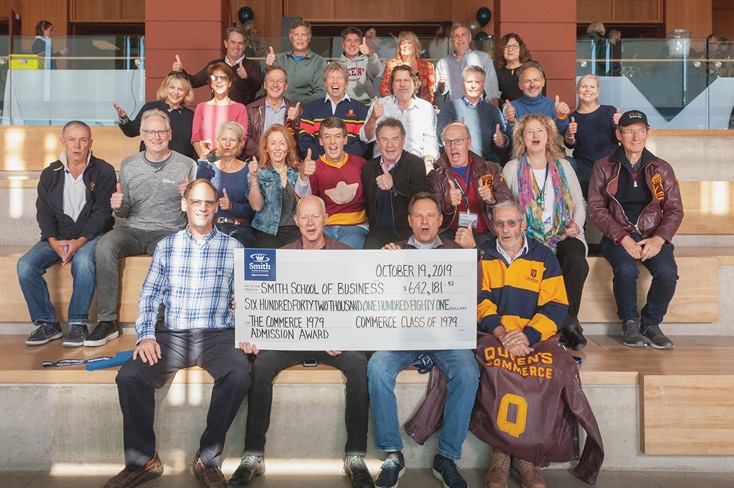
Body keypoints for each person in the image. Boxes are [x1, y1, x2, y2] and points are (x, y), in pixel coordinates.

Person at [104, 179, 251, 488]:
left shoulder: (234, 247)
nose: (203, 207)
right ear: (185, 204)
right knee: (130, 376)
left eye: (209, 202)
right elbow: (150, 295)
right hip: (173, 334)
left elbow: (247, 298)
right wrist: (146, 335)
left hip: (218, 335)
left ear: (215, 207)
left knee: (239, 374)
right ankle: (143, 461)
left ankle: (207, 458)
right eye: (196, 201)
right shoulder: (167, 246)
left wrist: (246, 315)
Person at [230, 195, 373, 488]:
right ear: (296, 222)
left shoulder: (346, 255)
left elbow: (360, 304)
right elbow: (261, 302)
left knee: (359, 367)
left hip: (333, 340)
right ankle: (253, 454)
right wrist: (244, 306)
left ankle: (356, 455)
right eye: (304, 217)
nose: (310, 223)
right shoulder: (279, 256)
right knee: (260, 368)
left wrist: (345, 333)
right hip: (290, 339)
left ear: (326, 220)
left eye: (315, 217)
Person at [368, 192, 479, 488]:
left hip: (445, 337)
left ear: (441, 220)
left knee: (468, 372)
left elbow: (476, 294)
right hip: (404, 336)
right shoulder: (396, 250)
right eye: (418, 215)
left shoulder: (458, 250)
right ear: (409, 221)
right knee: (377, 367)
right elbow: (377, 295)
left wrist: (472, 255)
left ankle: (446, 457)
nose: (424, 221)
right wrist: (382, 265)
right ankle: (393, 453)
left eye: (430, 215)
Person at [478, 200, 569, 488]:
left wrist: (527, 336)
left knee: (542, 372)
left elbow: (556, 306)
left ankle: (525, 458)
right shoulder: (483, 256)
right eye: (500, 223)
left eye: (511, 223)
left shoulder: (544, 257)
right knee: (498, 369)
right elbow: (478, 302)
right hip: (496, 334)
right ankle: (500, 456)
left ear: (523, 225)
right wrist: (503, 334)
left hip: (533, 336)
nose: (505, 229)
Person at [94, 109, 197, 345]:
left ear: (170, 134)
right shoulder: (129, 164)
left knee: (170, 250)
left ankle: (161, 322)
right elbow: (124, 211)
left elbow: (196, 212)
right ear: (141, 135)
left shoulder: (187, 164)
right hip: (133, 229)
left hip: (169, 230)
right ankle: (107, 321)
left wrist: (188, 198)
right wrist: (117, 206)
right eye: (150, 131)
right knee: (104, 245)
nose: (156, 136)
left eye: (161, 131)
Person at [588, 110, 683, 349]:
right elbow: (596, 209)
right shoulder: (604, 166)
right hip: (617, 234)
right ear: (619, 135)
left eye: (641, 131)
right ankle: (630, 322)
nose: (636, 137)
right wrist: (622, 238)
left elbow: (674, 209)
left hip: (652, 234)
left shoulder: (661, 168)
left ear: (648, 134)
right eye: (629, 131)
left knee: (667, 272)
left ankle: (650, 324)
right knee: (626, 270)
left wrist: (659, 238)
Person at [18, 121, 116, 348]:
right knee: (25, 265)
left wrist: (79, 242)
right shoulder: (50, 173)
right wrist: (53, 241)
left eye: (83, 140)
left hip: (91, 236)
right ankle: (48, 323)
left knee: (82, 262)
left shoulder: (103, 170)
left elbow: (102, 213)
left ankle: (78, 324)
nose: (77, 146)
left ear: (90, 143)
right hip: (58, 237)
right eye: (71, 139)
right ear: (63, 142)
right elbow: (44, 213)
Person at [503, 114, 589, 351]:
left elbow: (580, 202)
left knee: (576, 259)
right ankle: (568, 325)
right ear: (522, 138)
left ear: (549, 135)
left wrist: (577, 225)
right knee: (537, 261)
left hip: (563, 232)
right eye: (529, 131)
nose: (535, 136)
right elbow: (507, 208)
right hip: (528, 237)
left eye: (539, 131)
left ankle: (561, 323)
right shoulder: (512, 168)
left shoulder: (564, 166)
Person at [428, 122, 513, 247]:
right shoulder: (436, 175)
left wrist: (492, 199)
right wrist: (446, 202)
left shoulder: (489, 169)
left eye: (458, 141)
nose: (453, 147)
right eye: (448, 142)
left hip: (486, 235)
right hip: (450, 235)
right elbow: (430, 213)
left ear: (469, 143)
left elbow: (508, 201)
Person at [295, 117, 369, 249]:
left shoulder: (361, 164)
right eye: (327, 137)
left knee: (343, 254)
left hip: (355, 227)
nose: (332, 142)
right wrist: (304, 176)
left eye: (337, 136)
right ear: (321, 141)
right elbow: (303, 199)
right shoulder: (313, 167)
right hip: (324, 227)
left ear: (345, 139)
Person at [361, 118, 428, 249]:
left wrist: (394, 184)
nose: (390, 145)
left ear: (403, 141)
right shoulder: (369, 168)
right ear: (378, 143)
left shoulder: (415, 163)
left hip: (408, 233)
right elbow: (366, 203)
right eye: (385, 139)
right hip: (377, 233)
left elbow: (422, 196)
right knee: (368, 263)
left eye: (395, 139)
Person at [361, 65, 439, 172]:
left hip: (415, 167)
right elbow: (366, 138)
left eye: (406, 80)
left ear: (414, 83)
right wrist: (373, 118)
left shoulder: (425, 108)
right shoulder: (379, 105)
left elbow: (431, 142)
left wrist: (428, 163)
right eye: (398, 80)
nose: (402, 84)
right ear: (392, 84)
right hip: (384, 167)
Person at [196, 122, 255, 247]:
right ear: (218, 142)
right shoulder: (209, 168)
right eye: (224, 139)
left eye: (232, 140)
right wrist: (203, 157)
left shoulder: (248, 170)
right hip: (212, 229)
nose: (227, 144)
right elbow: (199, 194)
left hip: (240, 230)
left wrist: (232, 207)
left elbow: (254, 209)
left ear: (240, 143)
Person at [113, 72, 196, 159]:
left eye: (180, 89)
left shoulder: (190, 115)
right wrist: (123, 118)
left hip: (181, 167)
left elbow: (193, 145)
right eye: (172, 87)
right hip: (151, 165)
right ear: (165, 89)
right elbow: (131, 131)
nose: (176, 92)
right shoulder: (150, 107)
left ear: (186, 93)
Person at [436, 65, 510, 165]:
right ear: (463, 84)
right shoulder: (449, 108)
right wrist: (455, 132)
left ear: (483, 85)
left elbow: (503, 138)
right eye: (469, 82)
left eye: (477, 82)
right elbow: (441, 137)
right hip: (457, 166)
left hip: (487, 166)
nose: (473, 86)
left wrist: (502, 140)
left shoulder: (493, 110)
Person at [172, 26, 262, 106]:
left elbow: (257, 87)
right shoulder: (214, 65)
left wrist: (247, 77)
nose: (236, 46)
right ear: (226, 44)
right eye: (233, 42)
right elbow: (194, 82)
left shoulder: (253, 66)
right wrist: (180, 71)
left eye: (240, 43)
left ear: (245, 46)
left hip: (241, 118)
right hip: (217, 115)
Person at [564, 74, 621, 197]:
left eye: (592, 87)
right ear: (577, 90)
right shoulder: (572, 117)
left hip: (610, 163)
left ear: (598, 92)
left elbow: (620, 138)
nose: (588, 90)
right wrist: (569, 134)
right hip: (584, 165)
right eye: (584, 86)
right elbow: (570, 145)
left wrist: (620, 126)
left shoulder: (609, 111)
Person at [247, 124, 302, 248]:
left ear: (288, 147)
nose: (277, 148)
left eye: (282, 143)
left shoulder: (298, 172)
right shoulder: (258, 172)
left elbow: (306, 199)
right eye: (272, 143)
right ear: (266, 148)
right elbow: (256, 206)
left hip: (295, 229)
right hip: (266, 230)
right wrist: (254, 177)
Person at [298, 61, 368, 158]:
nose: (335, 81)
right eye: (331, 78)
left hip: (349, 166)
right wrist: (319, 160)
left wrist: (345, 161)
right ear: (325, 83)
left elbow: (362, 140)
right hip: (319, 165)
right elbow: (305, 138)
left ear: (346, 83)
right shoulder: (311, 108)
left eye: (339, 78)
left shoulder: (360, 109)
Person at [191, 62, 248, 160]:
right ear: (211, 84)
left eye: (223, 78)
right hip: (207, 158)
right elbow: (196, 138)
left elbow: (242, 138)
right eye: (214, 78)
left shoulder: (240, 108)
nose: (219, 81)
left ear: (230, 83)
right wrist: (204, 159)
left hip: (231, 159)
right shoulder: (201, 107)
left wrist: (228, 159)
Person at [264, 19, 327, 105]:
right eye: (296, 34)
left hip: (305, 113)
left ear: (309, 38)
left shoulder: (319, 62)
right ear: (291, 37)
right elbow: (265, 85)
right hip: (278, 110)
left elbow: (320, 92)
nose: (300, 38)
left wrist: (300, 110)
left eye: (303, 35)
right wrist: (268, 67)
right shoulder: (278, 59)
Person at [435, 23, 500, 105]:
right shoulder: (443, 63)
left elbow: (492, 90)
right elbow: (439, 93)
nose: (460, 38)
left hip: (479, 112)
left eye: (463, 35)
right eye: (456, 36)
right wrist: (441, 84)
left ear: (470, 38)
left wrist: (494, 113)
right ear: (452, 41)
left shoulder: (484, 58)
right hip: (454, 113)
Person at [244, 67, 300, 159]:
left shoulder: (296, 111)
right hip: (258, 161)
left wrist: (296, 121)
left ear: (286, 86)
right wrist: (264, 154)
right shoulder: (251, 109)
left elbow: (300, 145)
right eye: (271, 80)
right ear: (265, 85)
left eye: (280, 81)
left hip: (286, 162)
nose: (275, 85)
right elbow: (246, 138)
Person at [503, 61, 571, 138]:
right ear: (520, 85)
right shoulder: (511, 108)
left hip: (548, 150)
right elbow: (507, 142)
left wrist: (561, 117)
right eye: (527, 81)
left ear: (543, 82)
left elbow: (564, 135)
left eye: (536, 80)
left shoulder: (554, 106)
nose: (532, 85)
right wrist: (511, 123)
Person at [379, 31, 436, 104]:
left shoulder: (427, 66)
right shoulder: (391, 65)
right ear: (399, 48)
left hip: (420, 108)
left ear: (416, 46)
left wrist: (423, 107)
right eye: (402, 43)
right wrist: (397, 105)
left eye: (409, 42)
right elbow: (384, 89)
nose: (406, 45)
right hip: (396, 107)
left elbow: (430, 92)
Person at [494, 33, 543, 105]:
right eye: (506, 47)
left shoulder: (532, 67)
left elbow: (541, 95)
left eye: (514, 46)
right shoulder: (498, 74)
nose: (510, 49)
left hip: (531, 112)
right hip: (508, 113)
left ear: (520, 48)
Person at [339, 27, 381, 104]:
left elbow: (376, 69)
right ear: (343, 44)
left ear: (360, 44)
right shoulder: (336, 65)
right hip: (343, 104)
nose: (352, 44)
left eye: (356, 41)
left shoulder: (367, 61)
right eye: (349, 41)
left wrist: (370, 54)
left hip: (365, 105)